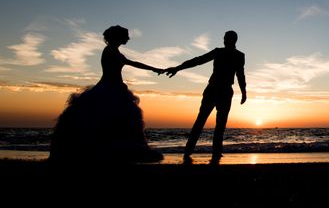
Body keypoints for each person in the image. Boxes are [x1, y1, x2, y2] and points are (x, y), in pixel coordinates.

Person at [49, 25, 164, 163]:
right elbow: (130, 64)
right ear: (118, 37)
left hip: (113, 87)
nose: (128, 38)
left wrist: (154, 68)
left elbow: (132, 63)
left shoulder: (114, 50)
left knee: (116, 120)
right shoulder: (110, 51)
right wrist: (155, 69)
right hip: (110, 88)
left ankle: (111, 151)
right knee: (114, 119)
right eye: (125, 35)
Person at [165, 30, 246, 163]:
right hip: (213, 89)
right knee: (201, 120)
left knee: (219, 124)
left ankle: (216, 152)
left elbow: (240, 74)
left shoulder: (238, 55)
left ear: (233, 40)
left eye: (226, 38)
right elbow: (198, 60)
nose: (224, 40)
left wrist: (244, 92)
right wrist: (178, 68)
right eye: (224, 38)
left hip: (224, 91)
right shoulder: (219, 52)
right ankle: (189, 151)